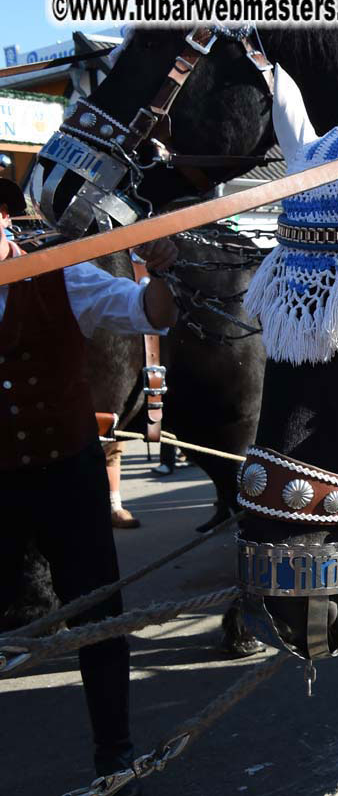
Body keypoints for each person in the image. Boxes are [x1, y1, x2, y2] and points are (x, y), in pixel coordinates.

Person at [0, 177, 178, 794]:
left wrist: (161, 275)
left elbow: (148, 314)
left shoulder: (63, 277)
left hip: (68, 476)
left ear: (5, 219)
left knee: (99, 616)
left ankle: (115, 748)